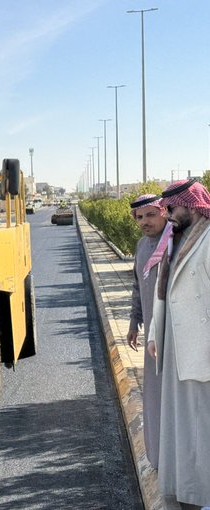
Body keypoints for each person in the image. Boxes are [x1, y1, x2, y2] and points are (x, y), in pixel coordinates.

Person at [148, 179, 210, 509]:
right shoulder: (175, 239)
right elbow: (165, 292)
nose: (167, 214)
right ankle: (184, 490)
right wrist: (155, 333)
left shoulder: (208, 240)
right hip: (176, 348)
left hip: (201, 349)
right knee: (182, 427)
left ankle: (202, 494)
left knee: (200, 427)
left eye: (171, 208)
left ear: (191, 205)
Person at [126, 194, 171, 470]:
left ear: (164, 212)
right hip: (152, 340)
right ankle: (158, 456)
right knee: (154, 399)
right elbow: (136, 286)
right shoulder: (142, 246)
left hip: (174, 337)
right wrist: (134, 322)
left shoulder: (174, 244)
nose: (145, 222)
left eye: (151, 215)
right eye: (140, 217)